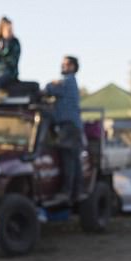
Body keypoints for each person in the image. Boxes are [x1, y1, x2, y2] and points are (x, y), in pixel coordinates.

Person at [44, 56, 83, 201]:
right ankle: (76, 192)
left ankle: (66, 193)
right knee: (74, 160)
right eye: (62, 64)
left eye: (66, 64)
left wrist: (50, 84)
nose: (63, 66)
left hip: (68, 126)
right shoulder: (70, 82)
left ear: (73, 67)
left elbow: (49, 89)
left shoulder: (67, 82)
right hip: (73, 126)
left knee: (68, 160)